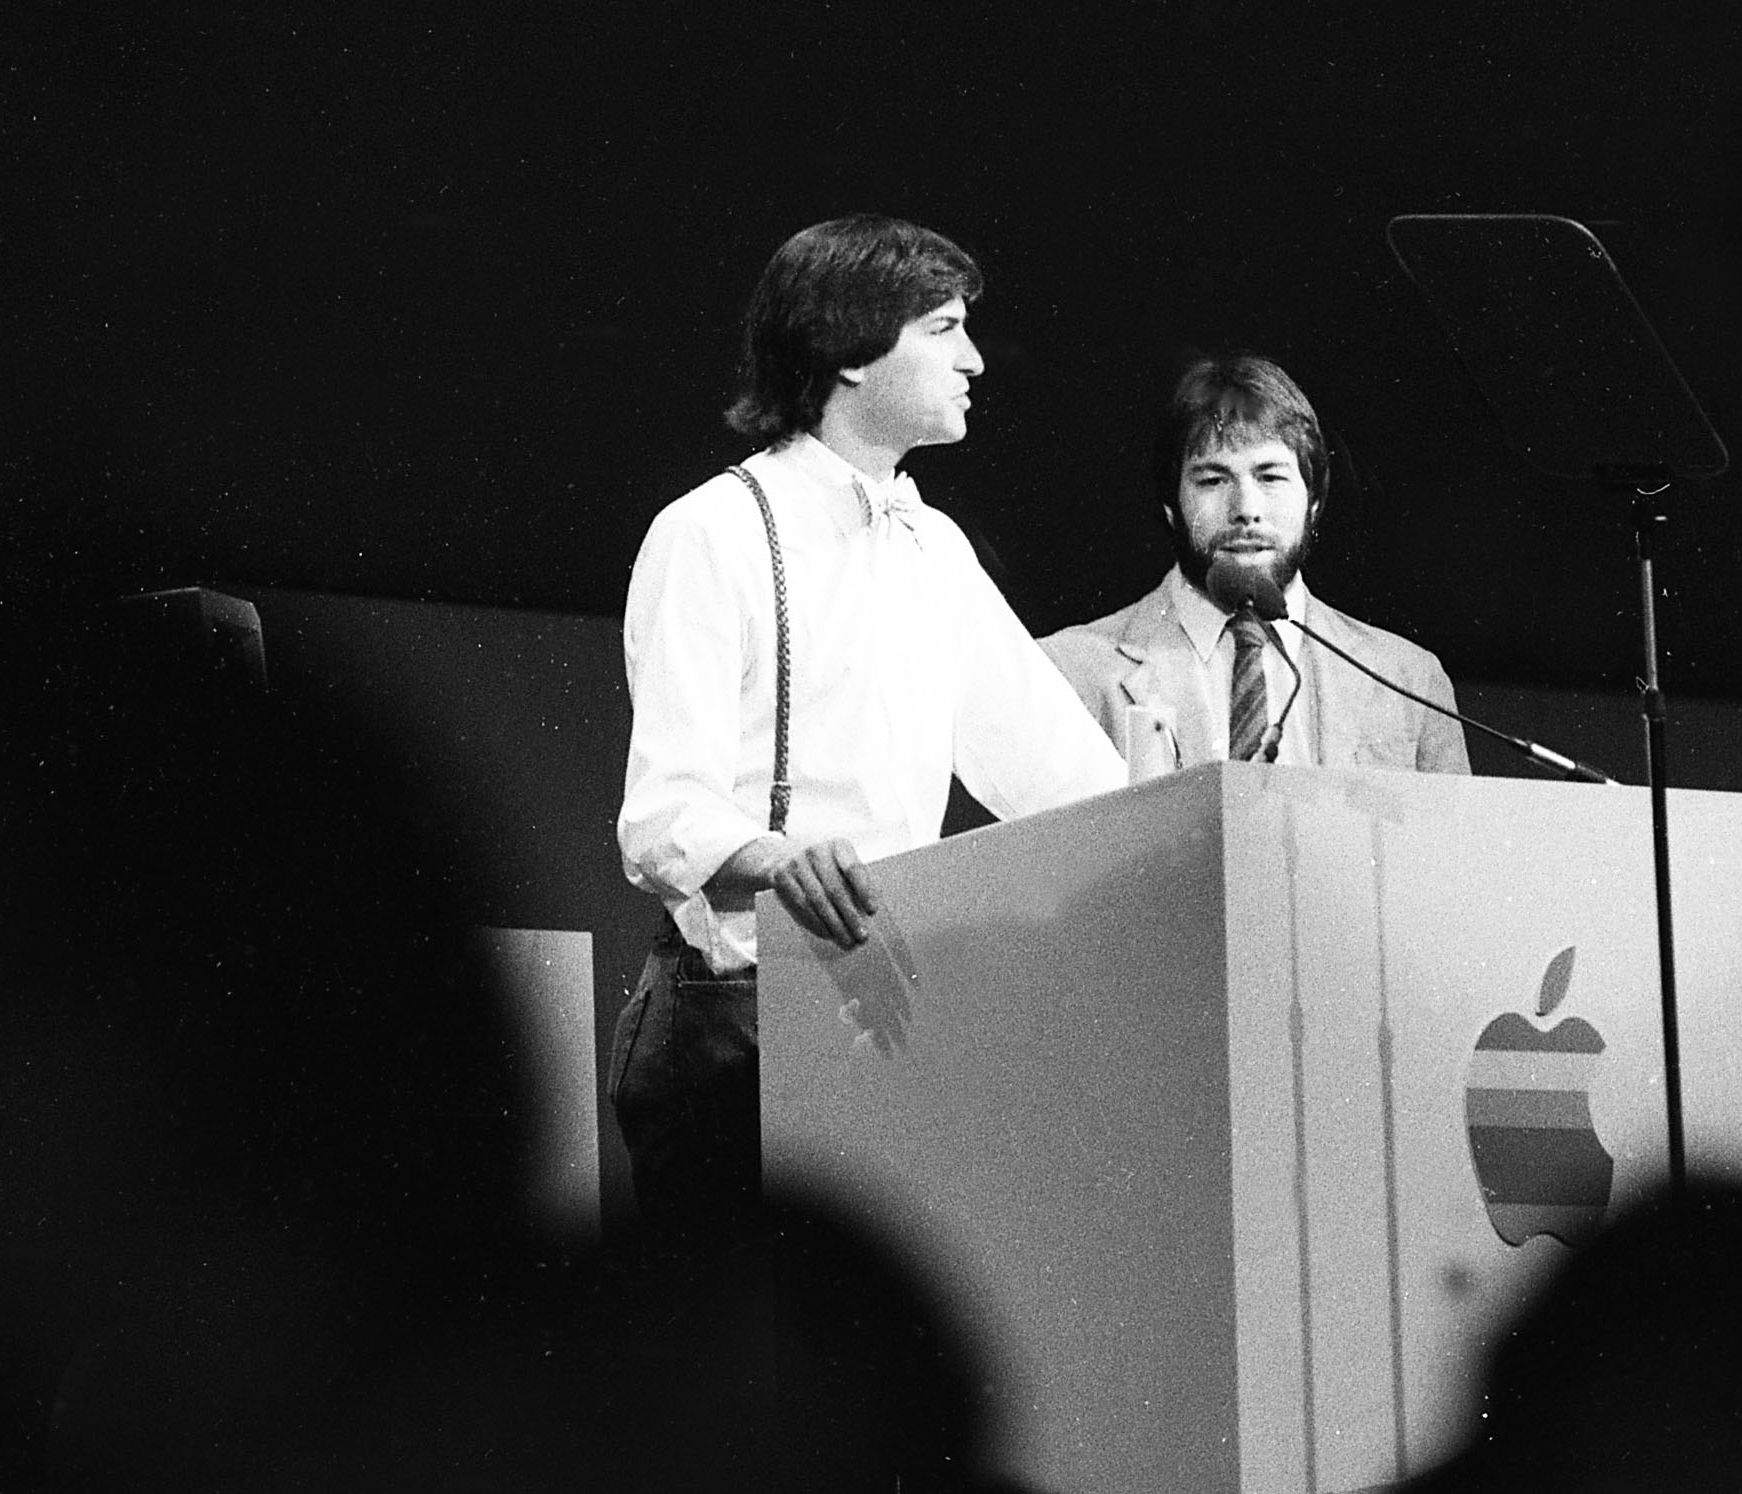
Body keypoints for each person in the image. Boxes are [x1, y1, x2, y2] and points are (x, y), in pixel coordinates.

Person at [612, 214, 1126, 1237]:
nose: (974, 359)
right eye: (943, 328)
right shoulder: (711, 529)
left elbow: (1068, 778)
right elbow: (664, 812)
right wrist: (776, 855)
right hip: (735, 1023)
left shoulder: (932, 546)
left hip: (889, 1015)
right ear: (850, 351)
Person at [1040, 353, 1473, 775]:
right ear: (1171, 506)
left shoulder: (1410, 680)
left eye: (1270, 477)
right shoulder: (1069, 670)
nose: (1246, 509)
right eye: (1213, 480)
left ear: (1315, 502)